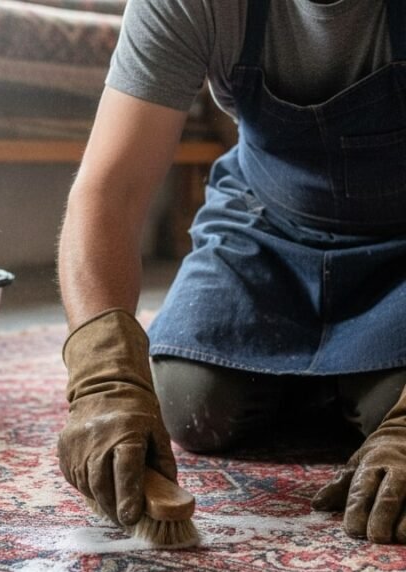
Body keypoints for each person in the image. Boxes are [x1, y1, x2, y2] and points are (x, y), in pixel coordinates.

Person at [57, 0, 406, 544]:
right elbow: (110, 190)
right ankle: (348, 386)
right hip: (266, 222)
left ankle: (364, 390)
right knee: (191, 402)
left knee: (394, 408)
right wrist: (102, 378)